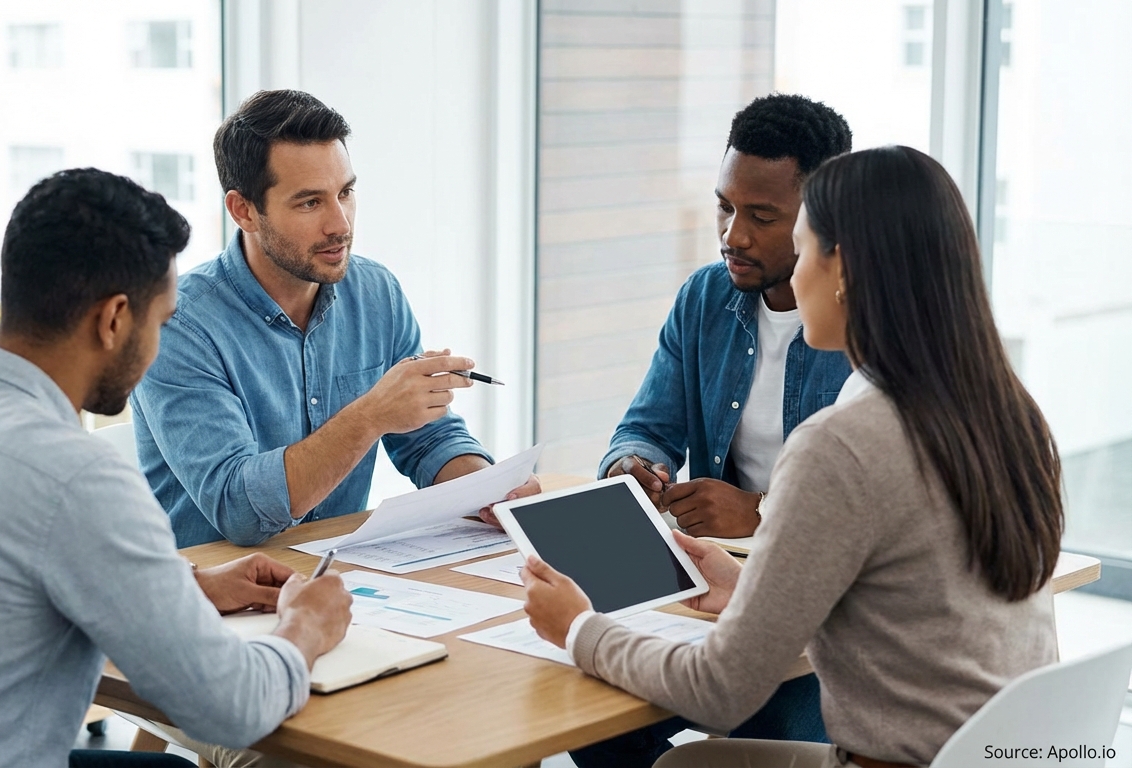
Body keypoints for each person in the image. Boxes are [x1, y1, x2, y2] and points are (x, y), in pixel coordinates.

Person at [522, 145, 1064, 768]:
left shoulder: (842, 442)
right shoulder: (1010, 411)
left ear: (843, 270)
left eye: (803, 248)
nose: (792, 270)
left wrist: (577, 627)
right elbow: (915, 594)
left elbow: (719, 690)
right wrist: (755, 581)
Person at [0, 168, 353, 768]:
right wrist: (306, 627)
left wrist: (184, 588)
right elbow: (234, 708)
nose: (159, 347)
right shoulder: (72, 473)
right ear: (114, 319)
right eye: (160, 323)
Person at [132, 89, 537, 548]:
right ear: (243, 210)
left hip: (333, 576)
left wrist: (490, 489)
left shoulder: (375, 292)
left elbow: (426, 439)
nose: (340, 224)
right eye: (310, 203)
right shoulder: (178, 325)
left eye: (345, 192)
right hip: (215, 596)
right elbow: (239, 509)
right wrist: (370, 415)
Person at [602, 93, 854, 539]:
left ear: (824, 218)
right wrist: (632, 465)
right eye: (725, 207)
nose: (733, 236)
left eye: (761, 217)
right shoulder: (704, 297)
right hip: (721, 560)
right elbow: (646, 429)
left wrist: (762, 511)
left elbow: (892, 499)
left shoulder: (874, 322)